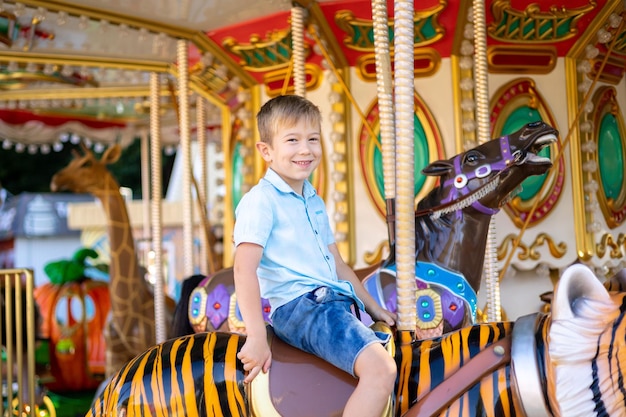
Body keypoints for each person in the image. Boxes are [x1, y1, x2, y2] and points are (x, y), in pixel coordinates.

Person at [233, 95, 397, 417]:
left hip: (331, 302)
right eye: (292, 140)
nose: (305, 149)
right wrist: (255, 336)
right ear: (266, 151)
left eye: (312, 139)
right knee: (382, 371)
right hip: (303, 308)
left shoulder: (312, 200)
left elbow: (337, 265)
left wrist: (374, 306)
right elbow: (243, 270)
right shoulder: (261, 201)